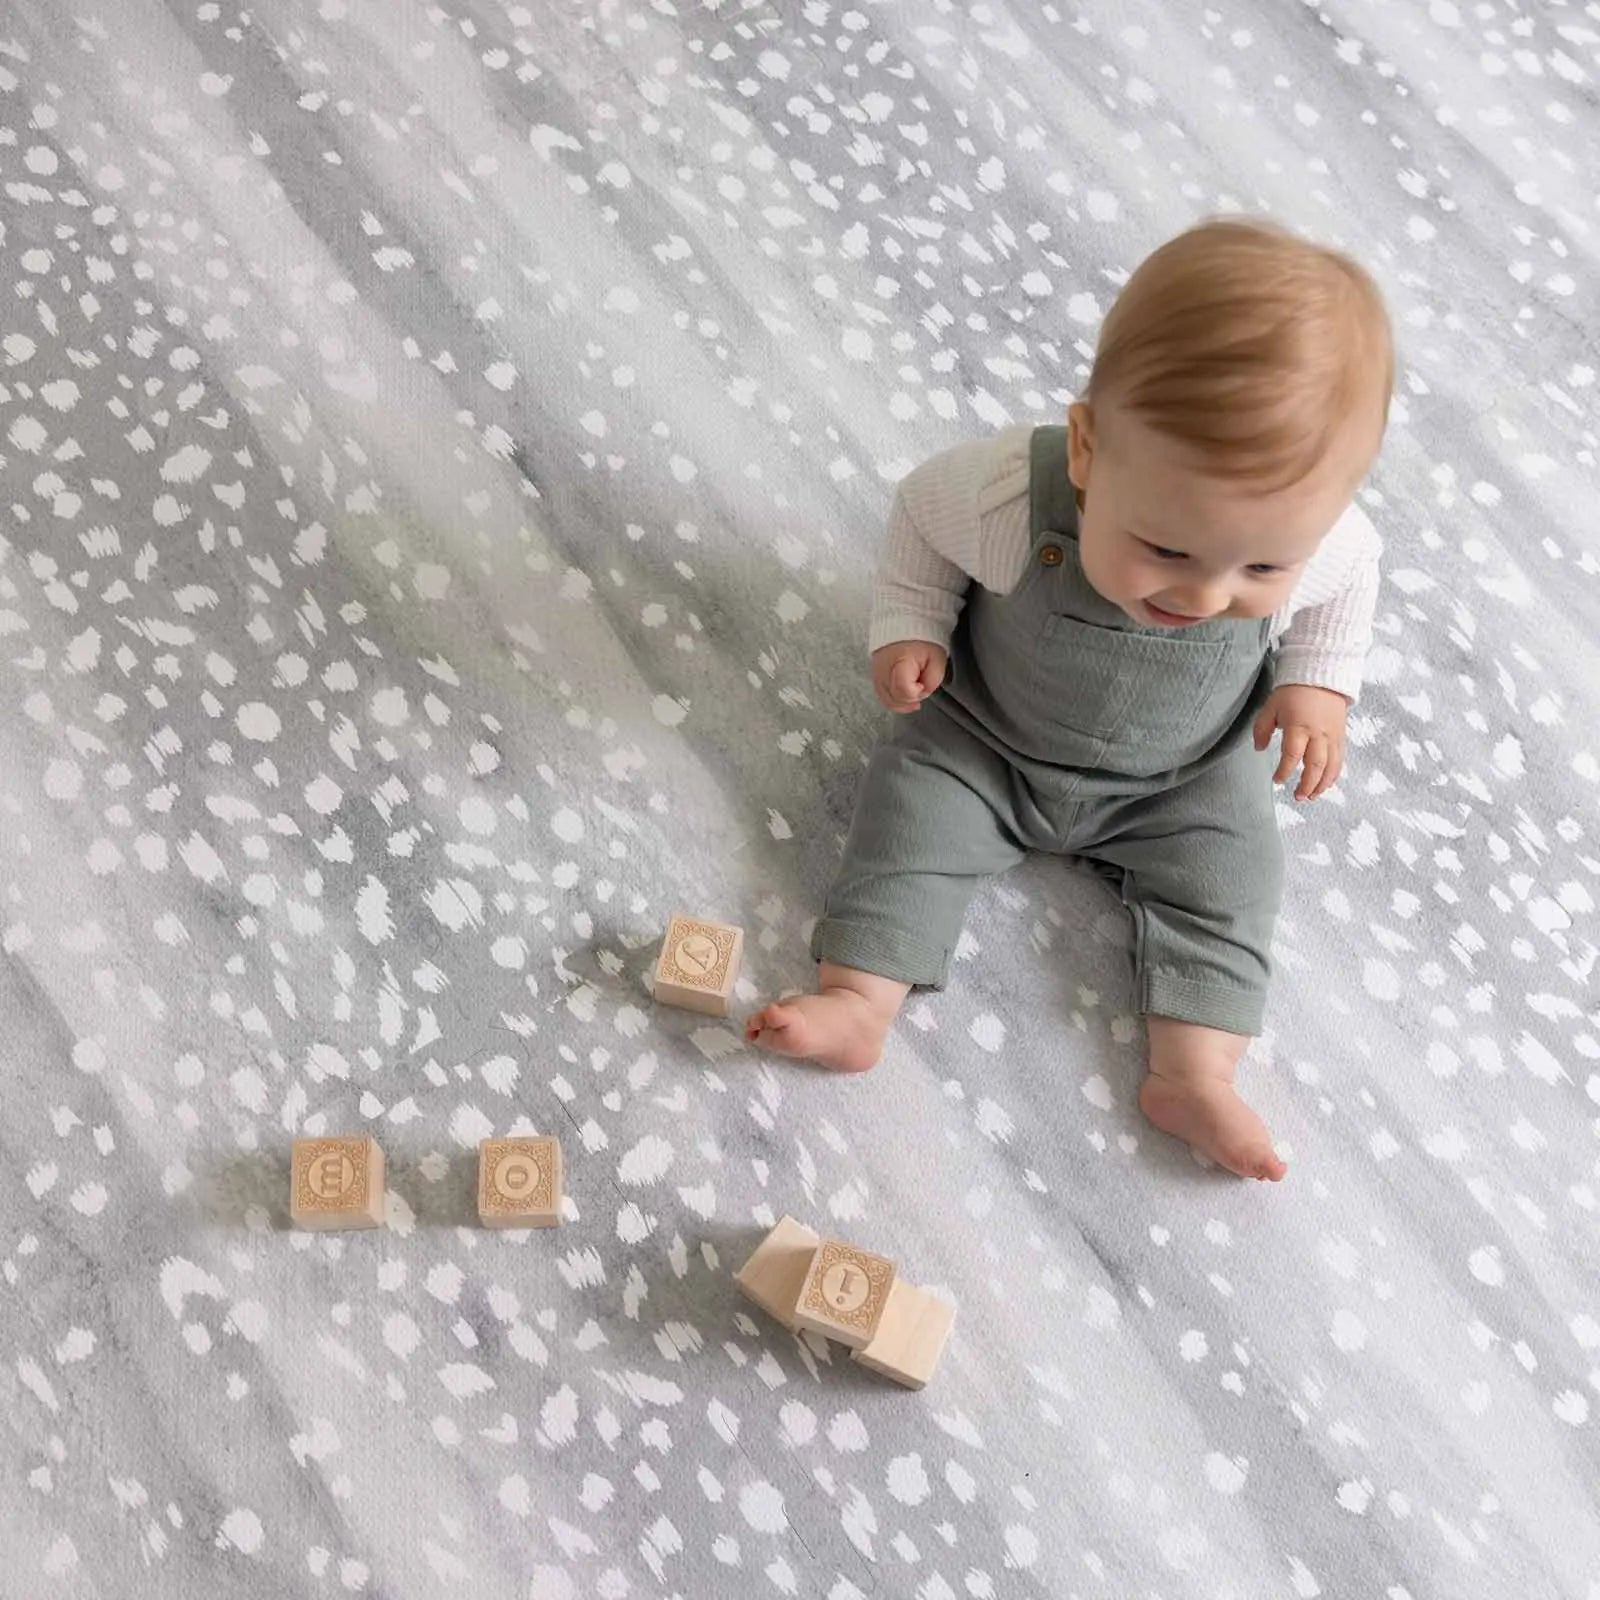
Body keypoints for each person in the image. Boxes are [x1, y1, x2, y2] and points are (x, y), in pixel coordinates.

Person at [745, 218, 1394, 1182]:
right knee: (907, 825)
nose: (1204, 596)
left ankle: (1195, 1073)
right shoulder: (1010, 491)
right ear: (1088, 449)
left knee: (1233, 884)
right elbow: (922, 517)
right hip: (987, 742)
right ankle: (859, 999)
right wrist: (913, 624)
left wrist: (1315, 687)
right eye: (1167, 549)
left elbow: (1348, 583)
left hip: (1183, 778)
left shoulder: (1326, 542)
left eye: (1261, 566)